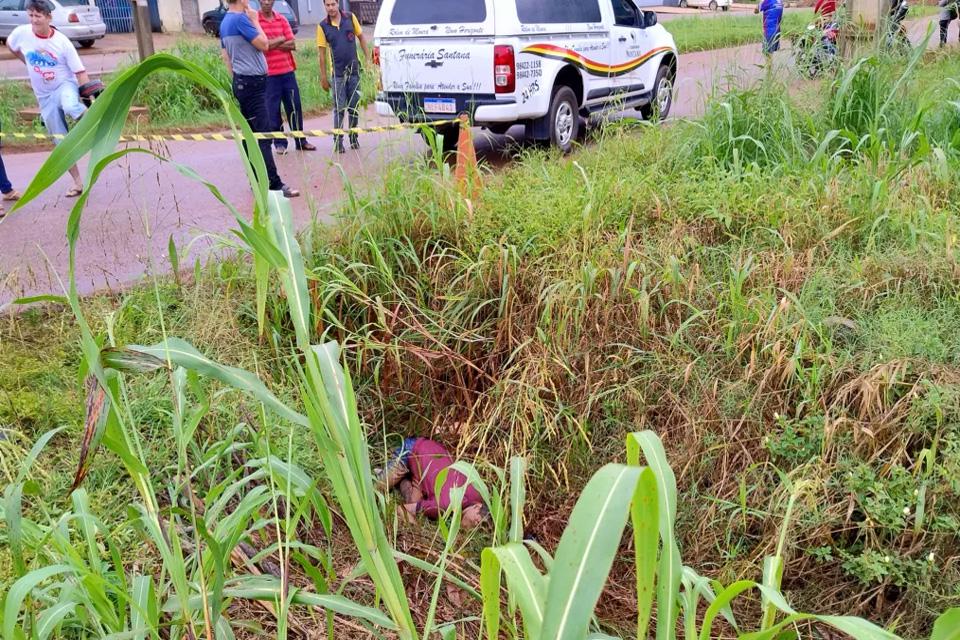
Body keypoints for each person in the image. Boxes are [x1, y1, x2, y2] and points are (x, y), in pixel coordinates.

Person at [7, 0, 89, 198]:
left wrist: (88, 98)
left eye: (38, 16)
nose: (34, 20)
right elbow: (12, 46)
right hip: (44, 96)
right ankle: (78, 183)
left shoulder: (62, 42)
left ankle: (92, 125)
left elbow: (80, 72)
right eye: (31, 15)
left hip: (64, 86)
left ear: (48, 17)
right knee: (60, 141)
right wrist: (25, 61)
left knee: (70, 105)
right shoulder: (22, 33)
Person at [220, 0, 299, 198]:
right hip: (254, 85)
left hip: (241, 82)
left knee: (250, 134)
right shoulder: (241, 20)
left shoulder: (225, 21)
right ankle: (273, 184)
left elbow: (225, 57)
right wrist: (255, 21)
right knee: (263, 135)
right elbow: (264, 44)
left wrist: (236, 79)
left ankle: (256, 179)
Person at [378, 437, 488, 529]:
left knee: (414, 500)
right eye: (481, 520)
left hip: (434, 450)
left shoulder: (479, 491)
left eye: (482, 528)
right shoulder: (445, 505)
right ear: (477, 506)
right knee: (375, 489)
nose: (479, 526)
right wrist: (417, 530)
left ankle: (404, 479)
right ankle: (396, 475)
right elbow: (402, 509)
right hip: (413, 449)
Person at [259, 0, 315, 155]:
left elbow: (292, 44)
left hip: (288, 71)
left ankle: (300, 141)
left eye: (269, 0)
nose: (266, 2)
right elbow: (262, 46)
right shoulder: (256, 21)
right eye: (263, 0)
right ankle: (279, 143)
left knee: (294, 107)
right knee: (273, 110)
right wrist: (280, 39)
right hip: (269, 75)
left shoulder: (282, 19)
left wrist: (272, 43)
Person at [317, 0, 370, 154]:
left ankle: (354, 138)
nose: (331, 8)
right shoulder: (322, 26)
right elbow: (321, 54)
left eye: (333, 4)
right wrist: (323, 77)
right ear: (324, 6)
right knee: (339, 109)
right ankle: (338, 142)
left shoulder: (350, 18)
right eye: (328, 5)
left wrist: (367, 60)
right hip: (338, 75)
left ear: (338, 3)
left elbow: (362, 38)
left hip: (354, 72)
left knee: (354, 107)